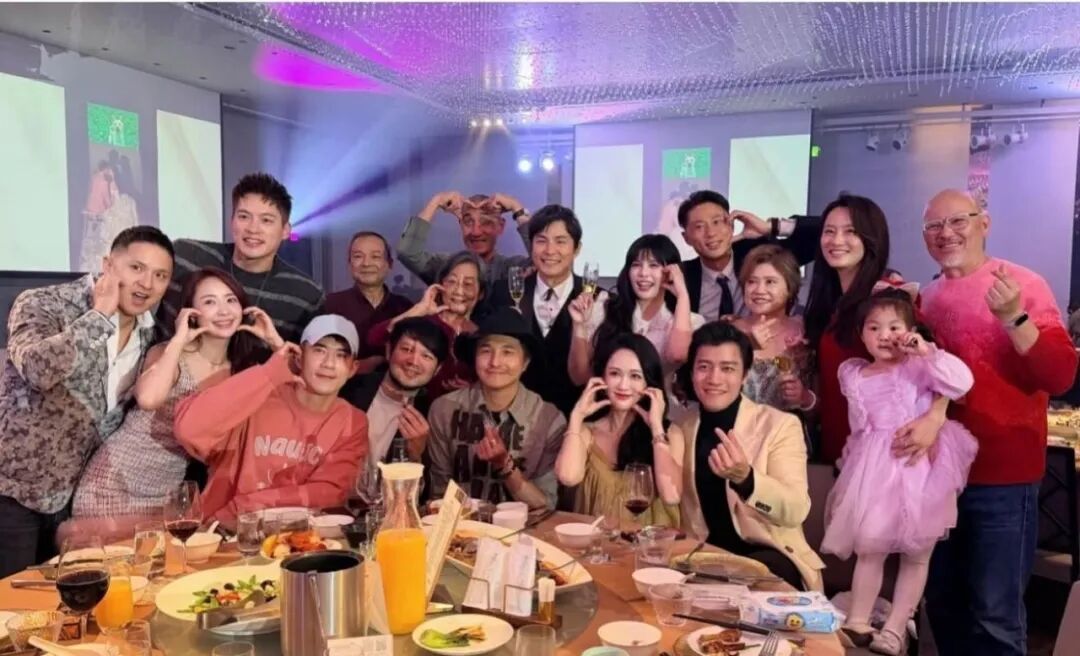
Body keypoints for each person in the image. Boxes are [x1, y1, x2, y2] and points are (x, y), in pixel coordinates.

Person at [919, 189, 1078, 656]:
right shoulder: (927, 297)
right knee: (942, 601)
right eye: (933, 226)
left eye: (958, 221)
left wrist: (1014, 318)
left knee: (996, 612)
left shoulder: (1022, 285)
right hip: (940, 477)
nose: (946, 233)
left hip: (1003, 477)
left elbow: (1061, 375)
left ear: (984, 224)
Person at [0, 226, 174, 577]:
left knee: (61, 615)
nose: (146, 284)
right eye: (136, 268)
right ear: (108, 265)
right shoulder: (44, 302)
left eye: (160, 275)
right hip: (12, 492)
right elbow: (38, 369)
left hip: (73, 505)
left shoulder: (150, 333)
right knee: (8, 613)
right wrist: (99, 317)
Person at [820, 288, 978, 655]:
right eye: (874, 328)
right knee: (870, 544)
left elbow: (961, 382)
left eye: (894, 327)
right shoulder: (855, 375)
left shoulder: (921, 367)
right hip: (874, 468)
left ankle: (895, 627)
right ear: (861, 335)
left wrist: (926, 351)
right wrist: (851, 467)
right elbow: (859, 428)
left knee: (917, 552)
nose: (885, 335)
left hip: (918, 469)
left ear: (910, 330)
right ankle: (858, 620)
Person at [70, 268, 282, 522]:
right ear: (191, 313)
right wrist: (179, 340)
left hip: (168, 493)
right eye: (209, 302)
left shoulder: (240, 372)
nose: (224, 311)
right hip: (114, 483)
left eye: (230, 300)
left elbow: (297, 399)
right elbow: (148, 399)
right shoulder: (168, 354)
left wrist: (275, 342)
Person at [662, 322, 824, 591]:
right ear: (691, 373)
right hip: (705, 560)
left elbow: (796, 510)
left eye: (727, 368)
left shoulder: (779, 425)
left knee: (759, 577)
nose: (714, 379)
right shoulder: (682, 428)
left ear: (745, 374)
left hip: (768, 557)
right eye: (704, 367)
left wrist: (747, 479)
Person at [173, 315, 368, 525]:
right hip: (223, 537)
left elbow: (328, 492)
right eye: (319, 350)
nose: (329, 364)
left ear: (353, 368)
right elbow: (188, 429)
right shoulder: (262, 392)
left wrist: (246, 506)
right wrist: (269, 373)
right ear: (299, 357)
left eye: (341, 355)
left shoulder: (352, 421)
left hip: (295, 543)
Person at [804, 194, 944, 466]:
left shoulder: (887, 295)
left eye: (850, 232)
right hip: (839, 447)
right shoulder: (831, 300)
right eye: (829, 232)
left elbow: (935, 360)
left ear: (871, 239)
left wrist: (934, 419)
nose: (836, 241)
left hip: (884, 457)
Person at [158, 172, 324, 344]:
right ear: (232, 221)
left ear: (285, 231)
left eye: (266, 220)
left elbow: (302, 364)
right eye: (244, 217)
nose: (253, 229)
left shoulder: (305, 295)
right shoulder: (186, 255)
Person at [427, 307, 566, 509]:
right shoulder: (444, 409)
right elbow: (439, 492)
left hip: (524, 533)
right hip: (461, 527)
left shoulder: (549, 420)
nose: (495, 362)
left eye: (507, 352)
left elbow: (544, 504)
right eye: (486, 351)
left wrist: (505, 465)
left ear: (525, 362)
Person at [556, 334, 683, 526]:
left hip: (651, 547)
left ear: (648, 382)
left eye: (635, 376)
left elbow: (671, 496)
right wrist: (576, 417)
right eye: (615, 373)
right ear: (602, 378)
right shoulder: (585, 432)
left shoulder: (669, 433)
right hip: (596, 547)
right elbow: (568, 476)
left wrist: (656, 428)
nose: (623, 385)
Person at [568, 234, 704, 393]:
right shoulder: (604, 309)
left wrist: (682, 295)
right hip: (607, 407)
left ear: (672, 272)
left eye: (654, 265)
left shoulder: (689, 321)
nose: (643, 273)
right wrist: (579, 325)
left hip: (659, 409)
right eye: (636, 265)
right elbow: (579, 377)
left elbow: (677, 355)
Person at [488, 204, 586, 416]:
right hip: (513, 420)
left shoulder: (595, 298)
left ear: (576, 248)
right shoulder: (504, 294)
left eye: (561, 241)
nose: (550, 251)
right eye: (541, 241)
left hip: (575, 421)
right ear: (531, 245)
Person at [677, 190, 821, 321]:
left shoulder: (761, 254)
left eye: (717, 222)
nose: (711, 233)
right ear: (686, 238)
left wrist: (771, 227)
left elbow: (825, 236)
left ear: (731, 226)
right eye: (699, 227)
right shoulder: (681, 277)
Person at [366, 251, 482, 399]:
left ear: (481, 292)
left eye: (468, 284)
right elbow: (374, 339)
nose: (459, 290)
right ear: (440, 285)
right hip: (414, 408)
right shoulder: (423, 321)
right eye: (452, 281)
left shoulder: (481, 334)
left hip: (458, 414)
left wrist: (474, 388)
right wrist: (418, 310)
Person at [341, 317, 450, 465]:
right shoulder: (349, 389)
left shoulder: (432, 414)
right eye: (406, 349)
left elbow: (425, 484)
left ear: (437, 369)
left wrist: (415, 454)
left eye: (426, 356)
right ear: (389, 351)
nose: (413, 361)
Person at [730, 245, 815, 414]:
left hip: (791, 436)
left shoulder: (806, 332)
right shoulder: (727, 333)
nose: (759, 290)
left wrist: (805, 398)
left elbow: (827, 403)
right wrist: (747, 347)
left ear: (790, 287)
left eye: (770, 282)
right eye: (752, 281)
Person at [397, 191, 533, 288]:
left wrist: (517, 209)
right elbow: (407, 252)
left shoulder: (512, 268)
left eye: (485, 222)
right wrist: (436, 201)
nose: (476, 231)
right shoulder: (445, 267)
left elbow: (546, 264)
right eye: (468, 222)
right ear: (460, 225)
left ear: (500, 227)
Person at [325, 231, 412, 374]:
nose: (366, 263)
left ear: (389, 264)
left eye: (375, 256)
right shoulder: (330, 304)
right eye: (358, 256)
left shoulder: (404, 307)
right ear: (349, 264)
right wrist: (358, 366)